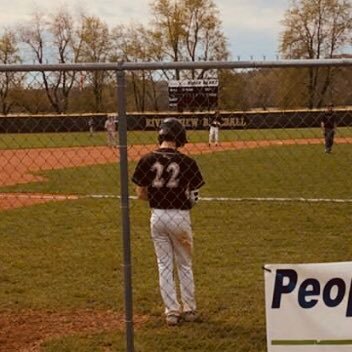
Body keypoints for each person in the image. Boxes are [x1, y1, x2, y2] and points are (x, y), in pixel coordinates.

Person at [131, 118, 205, 326]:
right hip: (180, 216)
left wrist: (158, 196)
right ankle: (189, 309)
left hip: (157, 216)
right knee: (184, 264)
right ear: (179, 137)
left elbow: (141, 194)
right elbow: (194, 196)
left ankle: (171, 312)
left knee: (164, 264)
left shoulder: (146, 160)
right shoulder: (188, 162)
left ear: (161, 135)